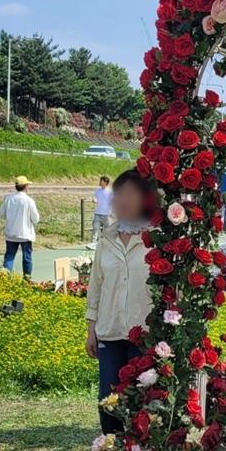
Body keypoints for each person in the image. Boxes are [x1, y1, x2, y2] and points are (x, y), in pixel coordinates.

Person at [86, 170, 154, 434]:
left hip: (144, 335)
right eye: (120, 194)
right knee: (109, 399)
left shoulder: (155, 239)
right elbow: (96, 285)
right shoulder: (107, 238)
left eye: (132, 194)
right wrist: (91, 328)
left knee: (142, 399)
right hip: (110, 330)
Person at [0, 176, 40, 277]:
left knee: (9, 256)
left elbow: (1, 214)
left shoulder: (9, 198)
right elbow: (35, 218)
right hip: (25, 233)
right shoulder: (29, 200)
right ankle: (27, 277)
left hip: (11, 232)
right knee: (27, 257)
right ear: (26, 186)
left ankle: (4, 277)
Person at [87, 175, 113, 249]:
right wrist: (94, 200)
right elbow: (95, 197)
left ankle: (107, 244)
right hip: (98, 213)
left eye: (101, 181)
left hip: (107, 214)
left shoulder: (110, 192)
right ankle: (93, 243)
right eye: (100, 181)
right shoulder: (97, 190)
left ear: (105, 182)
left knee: (107, 230)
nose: (100, 182)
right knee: (95, 228)